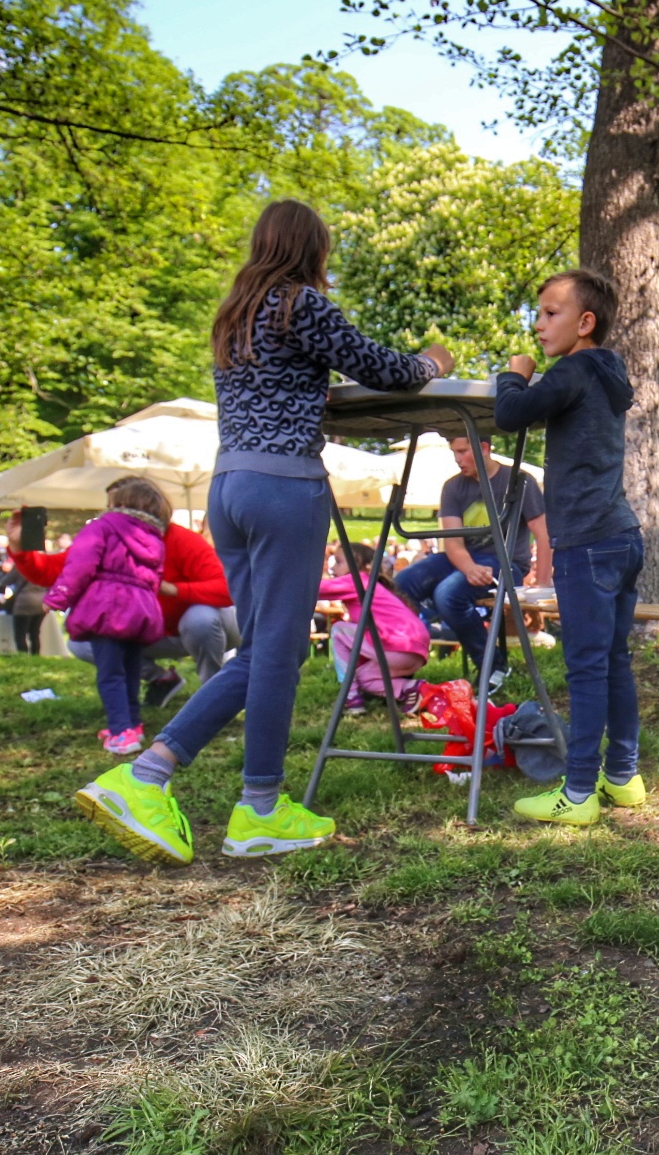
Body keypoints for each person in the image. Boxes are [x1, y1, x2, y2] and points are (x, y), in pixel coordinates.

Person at [74, 198, 452, 866]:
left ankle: (172, 777)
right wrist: (433, 361)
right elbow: (385, 370)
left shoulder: (235, 316)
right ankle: (240, 802)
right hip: (284, 489)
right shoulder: (301, 305)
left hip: (230, 486)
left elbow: (282, 388)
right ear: (312, 249)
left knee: (266, 650)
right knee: (276, 654)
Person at [496, 267, 646, 826]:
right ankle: (623, 777)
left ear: (585, 322)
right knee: (613, 660)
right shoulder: (608, 372)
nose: (539, 325)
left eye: (550, 313)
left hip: (587, 541)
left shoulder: (573, 369)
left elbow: (510, 415)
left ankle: (579, 792)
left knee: (585, 667)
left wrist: (514, 376)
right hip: (621, 536)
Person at [11, 505, 240, 705]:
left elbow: (226, 591)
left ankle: (214, 693)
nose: (120, 512)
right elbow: (52, 571)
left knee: (200, 617)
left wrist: (175, 590)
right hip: (146, 632)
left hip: (209, 627)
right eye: (114, 506)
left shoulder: (181, 539)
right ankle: (160, 679)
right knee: (82, 643)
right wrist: (19, 549)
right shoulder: (102, 538)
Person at [394, 435, 551, 694]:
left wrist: (543, 583)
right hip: (463, 558)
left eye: (462, 451)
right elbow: (453, 543)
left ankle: (493, 665)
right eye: (454, 453)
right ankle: (400, 662)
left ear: (484, 448)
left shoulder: (519, 481)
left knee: (448, 595)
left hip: (507, 562)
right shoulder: (453, 487)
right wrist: (468, 568)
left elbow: (543, 533)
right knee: (402, 584)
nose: (457, 459)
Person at [43, 477, 168, 755]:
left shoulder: (102, 527)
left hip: (106, 608)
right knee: (131, 669)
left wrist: (57, 598)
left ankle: (121, 731)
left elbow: (79, 566)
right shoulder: (154, 538)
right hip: (140, 610)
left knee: (110, 673)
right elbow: (155, 579)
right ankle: (133, 723)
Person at [322, 544, 430, 714]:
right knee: (364, 679)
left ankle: (350, 696)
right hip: (413, 651)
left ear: (358, 565)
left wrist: (290, 580)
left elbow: (316, 590)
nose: (333, 567)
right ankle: (412, 688)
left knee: (339, 630)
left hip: (396, 645)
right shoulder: (373, 586)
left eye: (339, 562)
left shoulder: (357, 580)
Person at [6, 558, 47, 654]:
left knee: (20, 634)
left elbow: (6, 581)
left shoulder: (20, 567)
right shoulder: (44, 566)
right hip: (41, 602)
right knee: (35, 633)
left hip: (24, 602)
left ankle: (23, 655)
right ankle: (36, 655)